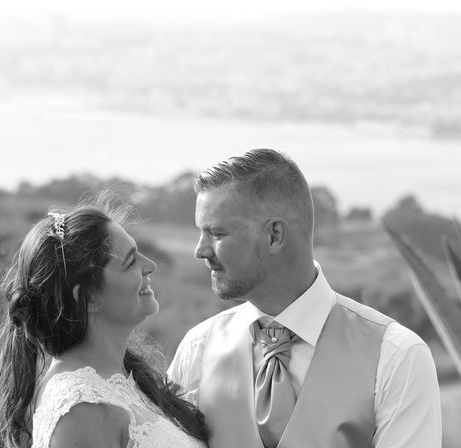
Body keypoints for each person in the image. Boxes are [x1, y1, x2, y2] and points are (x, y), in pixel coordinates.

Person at [168, 148, 441, 448]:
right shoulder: (197, 350)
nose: (200, 250)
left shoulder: (397, 357)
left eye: (217, 234)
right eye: (200, 233)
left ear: (274, 235)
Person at [0, 200, 209, 448]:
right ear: (86, 298)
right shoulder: (81, 409)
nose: (150, 266)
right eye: (131, 262)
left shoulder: (121, 377)